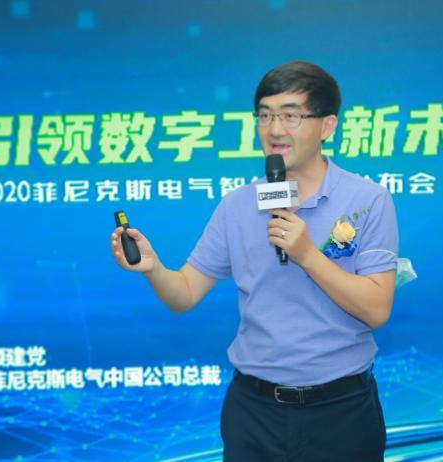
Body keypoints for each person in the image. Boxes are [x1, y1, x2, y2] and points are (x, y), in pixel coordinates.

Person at [110, 61, 398, 461]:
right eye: (265, 115)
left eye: (291, 116)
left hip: (341, 411)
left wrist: (307, 255)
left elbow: (377, 309)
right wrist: (153, 269)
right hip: (254, 413)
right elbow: (185, 294)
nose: (274, 129)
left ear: (327, 126)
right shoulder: (238, 205)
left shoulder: (367, 200)